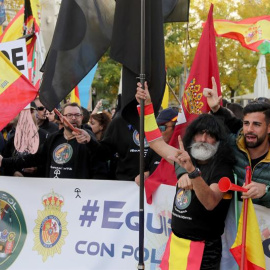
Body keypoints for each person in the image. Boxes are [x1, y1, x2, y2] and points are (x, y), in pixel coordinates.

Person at [136, 82, 235, 269]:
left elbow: (210, 202)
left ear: (218, 141)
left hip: (204, 251)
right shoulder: (185, 157)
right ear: (192, 136)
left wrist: (191, 172)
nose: (203, 140)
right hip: (175, 244)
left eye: (210, 135)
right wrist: (147, 106)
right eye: (199, 134)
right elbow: (156, 142)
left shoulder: (223, 169)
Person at [204, 77, 270, 208]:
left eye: (257, 124)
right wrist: (184, 173)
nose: (249, 129)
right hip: (232, 225)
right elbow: (194, 147)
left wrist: (266, 190)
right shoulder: (232, 144)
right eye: (246, 123)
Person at [0, 103, 100, 179]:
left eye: (77, 115)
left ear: (82, 118)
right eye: (69, 115)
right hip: (54, 194)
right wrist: (4, 161)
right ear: (61, 118)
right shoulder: (54, 138)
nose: (73, 118)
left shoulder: (88, 138)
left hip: (77, 195)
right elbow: (35, 158)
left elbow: (100, 163)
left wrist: (90, 140)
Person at [135, 107, 178, 185]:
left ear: (176, 128)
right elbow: (147, 170)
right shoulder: (153, 149)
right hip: (158, 195)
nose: (158, 130)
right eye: (156, 127)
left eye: (162, 127)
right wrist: (144, 176)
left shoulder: (184, 150)